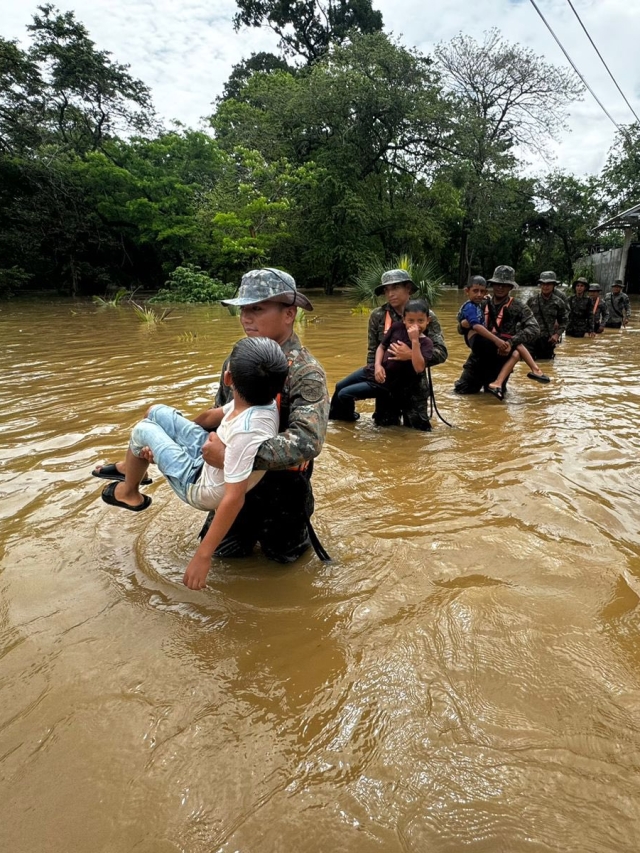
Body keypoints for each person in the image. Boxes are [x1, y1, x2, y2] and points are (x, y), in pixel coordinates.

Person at [97, 337, 289, 589]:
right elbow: (211, 416)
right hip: (207, 457)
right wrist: (172, 437)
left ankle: (129, 493)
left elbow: (234, 498)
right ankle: (131, 468)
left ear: (228, 379)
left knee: (143, 429)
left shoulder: (247, 430)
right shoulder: (260, 400)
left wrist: (203, 556)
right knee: (155, 412)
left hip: (199, 484)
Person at [203, 268, 329, 563]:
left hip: (283, 496)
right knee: (222, 562)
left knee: (286, 574)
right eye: (243, 309)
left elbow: (308, 441)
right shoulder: (235, 361)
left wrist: (234, 457)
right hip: (233, 486)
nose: (246, 317)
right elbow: (221, 419)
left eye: (257, 309)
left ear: (289, 314)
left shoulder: (305, 371)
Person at [330, 268, 447, 428]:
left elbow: (441, 352)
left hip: (414, 387)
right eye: (387, 290)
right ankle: (343, 425)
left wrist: (411, 354)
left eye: (395, 288)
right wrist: (376, 373)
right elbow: (373, 350)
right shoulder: (378, 316)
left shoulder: (424, 316)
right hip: (385, 383)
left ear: (408, 289)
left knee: (418, 434)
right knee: (384, 432)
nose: (390, 293)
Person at [454, 265, 540, 399]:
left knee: (494, 402)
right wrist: (464, 325)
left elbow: (534, 329)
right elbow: (460, 329)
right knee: (462, 394)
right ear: (492, 285)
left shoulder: (518, 307)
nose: (500, 288)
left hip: (501, 360)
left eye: (504, 285)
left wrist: (510, 342)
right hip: (477, 359)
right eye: (497, 284)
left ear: (511, 287)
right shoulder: (480, 302)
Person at [526, 270, 568, 360]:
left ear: (553, 285)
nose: (545, 286)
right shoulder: (531, 301)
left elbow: (564, 321)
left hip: (547, 341)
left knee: (546, 366)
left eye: (548, 284)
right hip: (530, 340)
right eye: (543, 284)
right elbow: (522, 319)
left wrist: (557, 335)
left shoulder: (559, 302)